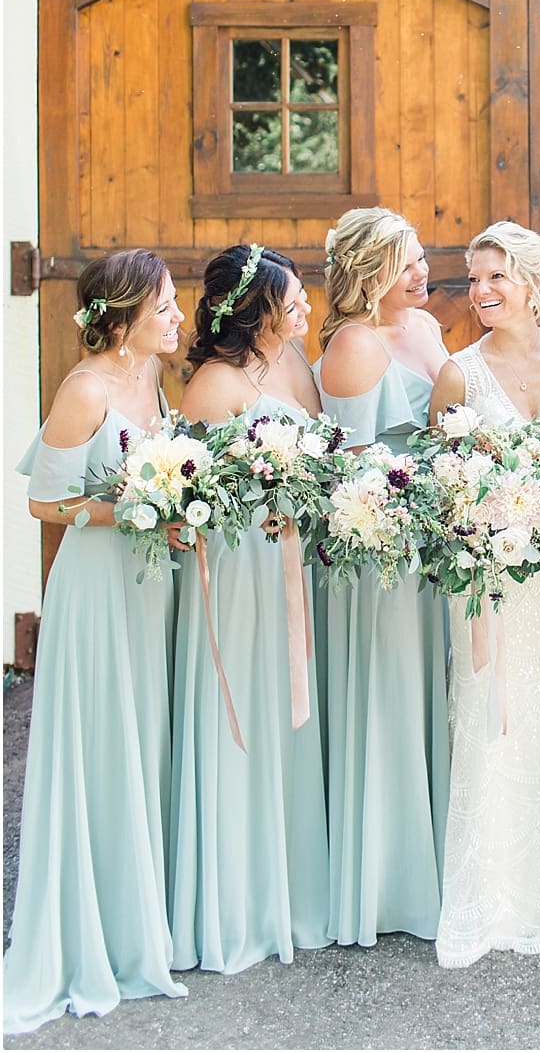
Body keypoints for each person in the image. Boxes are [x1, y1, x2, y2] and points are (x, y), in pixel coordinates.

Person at [5, 252, 187, 1032]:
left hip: (148, 585)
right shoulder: (83, 390)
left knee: (138, 741)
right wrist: (141, 509)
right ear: (125, 316)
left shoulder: (152, 380)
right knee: (99, 743)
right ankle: (85, 931)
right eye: (168, 306)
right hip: (94, 586)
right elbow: (47, 503)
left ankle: (131, 918)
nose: (181, 316)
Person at [170, 244, 332, 974]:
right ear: (255, 309)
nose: (304, 308)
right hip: (238, 568)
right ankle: (234, 899)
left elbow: (324, 453)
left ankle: (286, 888)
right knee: (242, 711)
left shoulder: (293, 365)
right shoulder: (213, 383)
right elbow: (199, 489)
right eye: (292, 299)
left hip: (288, 565)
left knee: (285, 714)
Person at [427, 221, 540, 968]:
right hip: (488, 578)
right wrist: (483, 517)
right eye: (473, 278)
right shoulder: (458, 373)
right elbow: (442, 486)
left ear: (530, 281)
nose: (481, 292)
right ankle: (489, 895)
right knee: (489, 716)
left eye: (496, 277)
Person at [314, 207, 452, 946]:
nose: (422, 271)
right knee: (392, 690)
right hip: (383, 550)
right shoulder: (354, 345)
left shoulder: (426, 330)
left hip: (437, 538)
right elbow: (348, 467)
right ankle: (388, 879)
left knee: (433, 688)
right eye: (406, 263)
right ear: (370, 274)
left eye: (422, 256)